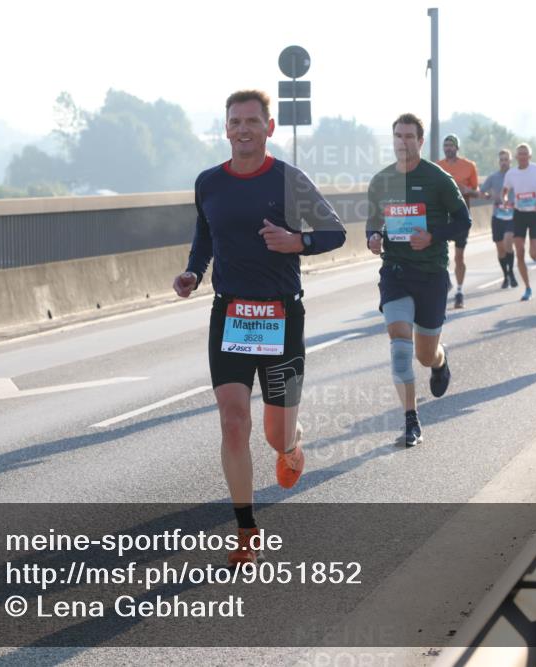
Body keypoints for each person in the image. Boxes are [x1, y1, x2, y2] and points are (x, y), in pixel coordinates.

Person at [173, 90, 345, 566]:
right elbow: (205, 235)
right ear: (225, 129)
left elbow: (335, 232)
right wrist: (193, 273)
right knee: (233, 422)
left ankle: (291, 445)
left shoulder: (288, 180)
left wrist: (297, 241)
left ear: (269, 128)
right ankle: (246, 529)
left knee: (275, 434)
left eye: (252, 121)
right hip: (230, 314)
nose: (243, 129)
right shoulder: (209, 182)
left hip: (281, 317)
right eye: (235, 122)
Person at [367, 113, 470, 446]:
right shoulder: (381, 181)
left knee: (425, 355)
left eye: (409, 136)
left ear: (420, 141)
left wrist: (432, 237)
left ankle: (440, 360)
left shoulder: (438, 179)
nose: (403, 142)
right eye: (398, 136)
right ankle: (411, 420)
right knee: (400, 346)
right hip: (395, 271)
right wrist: (373, 238)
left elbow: (464, 221)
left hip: (430, 274)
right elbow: (373, 221)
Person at [501, 143, 536, 301]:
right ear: (516, 157)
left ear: (530, 156)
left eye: (525, 154)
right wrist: (505, 200)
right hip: (519, 214)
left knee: (534, 255)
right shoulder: (511, 173)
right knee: (520, 252)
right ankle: (528, 288)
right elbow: (505, 191)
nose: (523, 156)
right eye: (520, 154)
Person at [436, 134, 479, 308]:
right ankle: (446, 280)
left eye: (451, 145)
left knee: (459, 256)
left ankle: (459, 292)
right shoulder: (438, 166)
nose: (448, 148)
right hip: (442, 216)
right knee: (440, 253)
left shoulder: (469, 166)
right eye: (446, 145)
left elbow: (476, 192)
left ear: (457, 147)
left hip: (461, 216)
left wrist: (466, 190)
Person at [477, 149, 517, 289]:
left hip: (512, 215)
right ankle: (506, 276)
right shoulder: (493, 177)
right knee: (500, 249)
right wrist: (488, 196)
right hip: (497, 215)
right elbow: (481, 192)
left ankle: (511, 273)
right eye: (501, 160)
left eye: (506, 160)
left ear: (511, 161)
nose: (504, 162)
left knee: (508, 242)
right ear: (498, 161)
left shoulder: (515, 175)